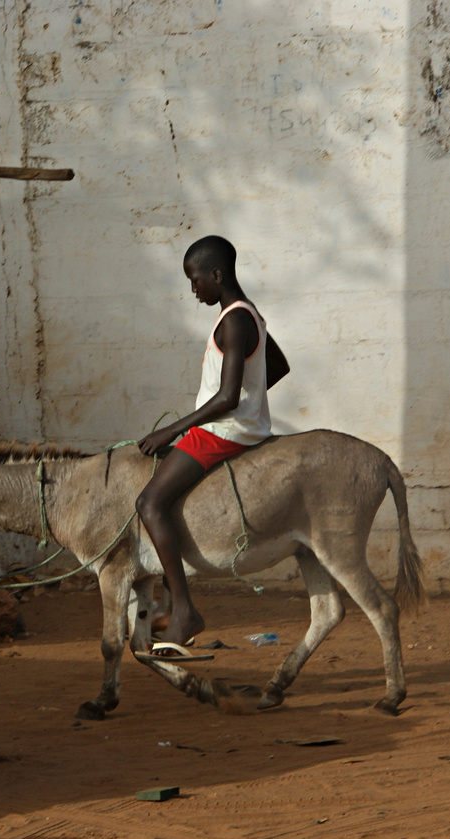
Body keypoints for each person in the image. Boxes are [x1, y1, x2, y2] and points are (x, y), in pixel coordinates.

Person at [135, 235, 285, 648]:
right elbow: (279, 367)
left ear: (217, 274)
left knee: (148, 503)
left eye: (196, 279)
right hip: (235, 426)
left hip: (224, 432)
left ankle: (183, 609)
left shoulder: (234, 320)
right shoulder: (248, 315)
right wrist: (255, 399)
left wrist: (173, 430)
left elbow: (227, 397)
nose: (193, 289)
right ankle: (168, 602)